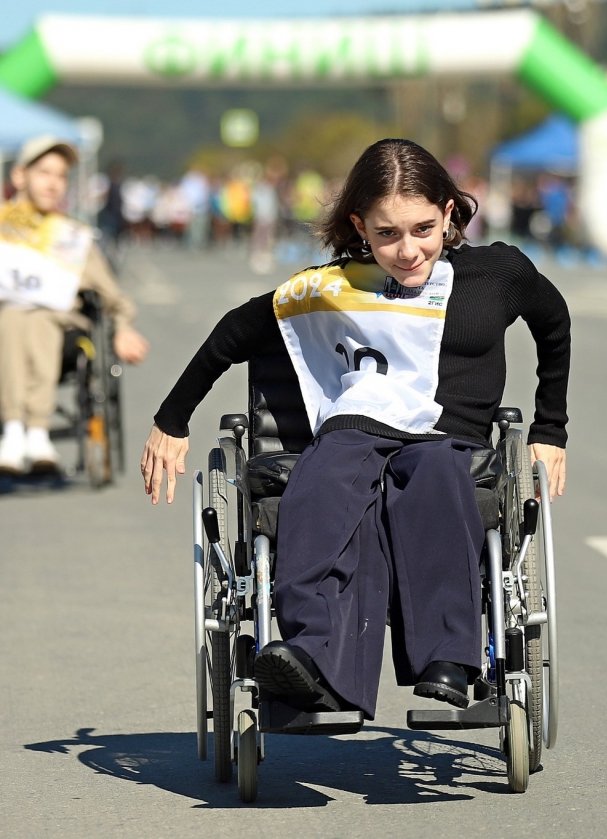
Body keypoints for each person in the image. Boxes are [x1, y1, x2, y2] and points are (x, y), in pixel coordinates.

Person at [140, 139, 571, 720]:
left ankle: (449, 658)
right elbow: (234, 331)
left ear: (449, 213)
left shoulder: (497, 274)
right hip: (356, 427)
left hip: (447, 435)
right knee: (326, 484)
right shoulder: (331, 286)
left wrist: (552, 427)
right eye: (387, 234)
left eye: (423, 229)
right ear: (359, 226)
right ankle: (310, 658)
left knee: (435, 474)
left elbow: (554, 324)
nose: (409, 251)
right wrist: (171, 419)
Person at [0, 136, 150, 475]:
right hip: (4, 326)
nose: (54, 183)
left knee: (34, 316)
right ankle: (20, 431)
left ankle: (28, 431)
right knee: (12, 315)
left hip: (60, 332)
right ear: (20, 176)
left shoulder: (71, 237)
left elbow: (115, 297)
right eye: (45, 173)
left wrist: (123, 327)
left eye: (61, 175)